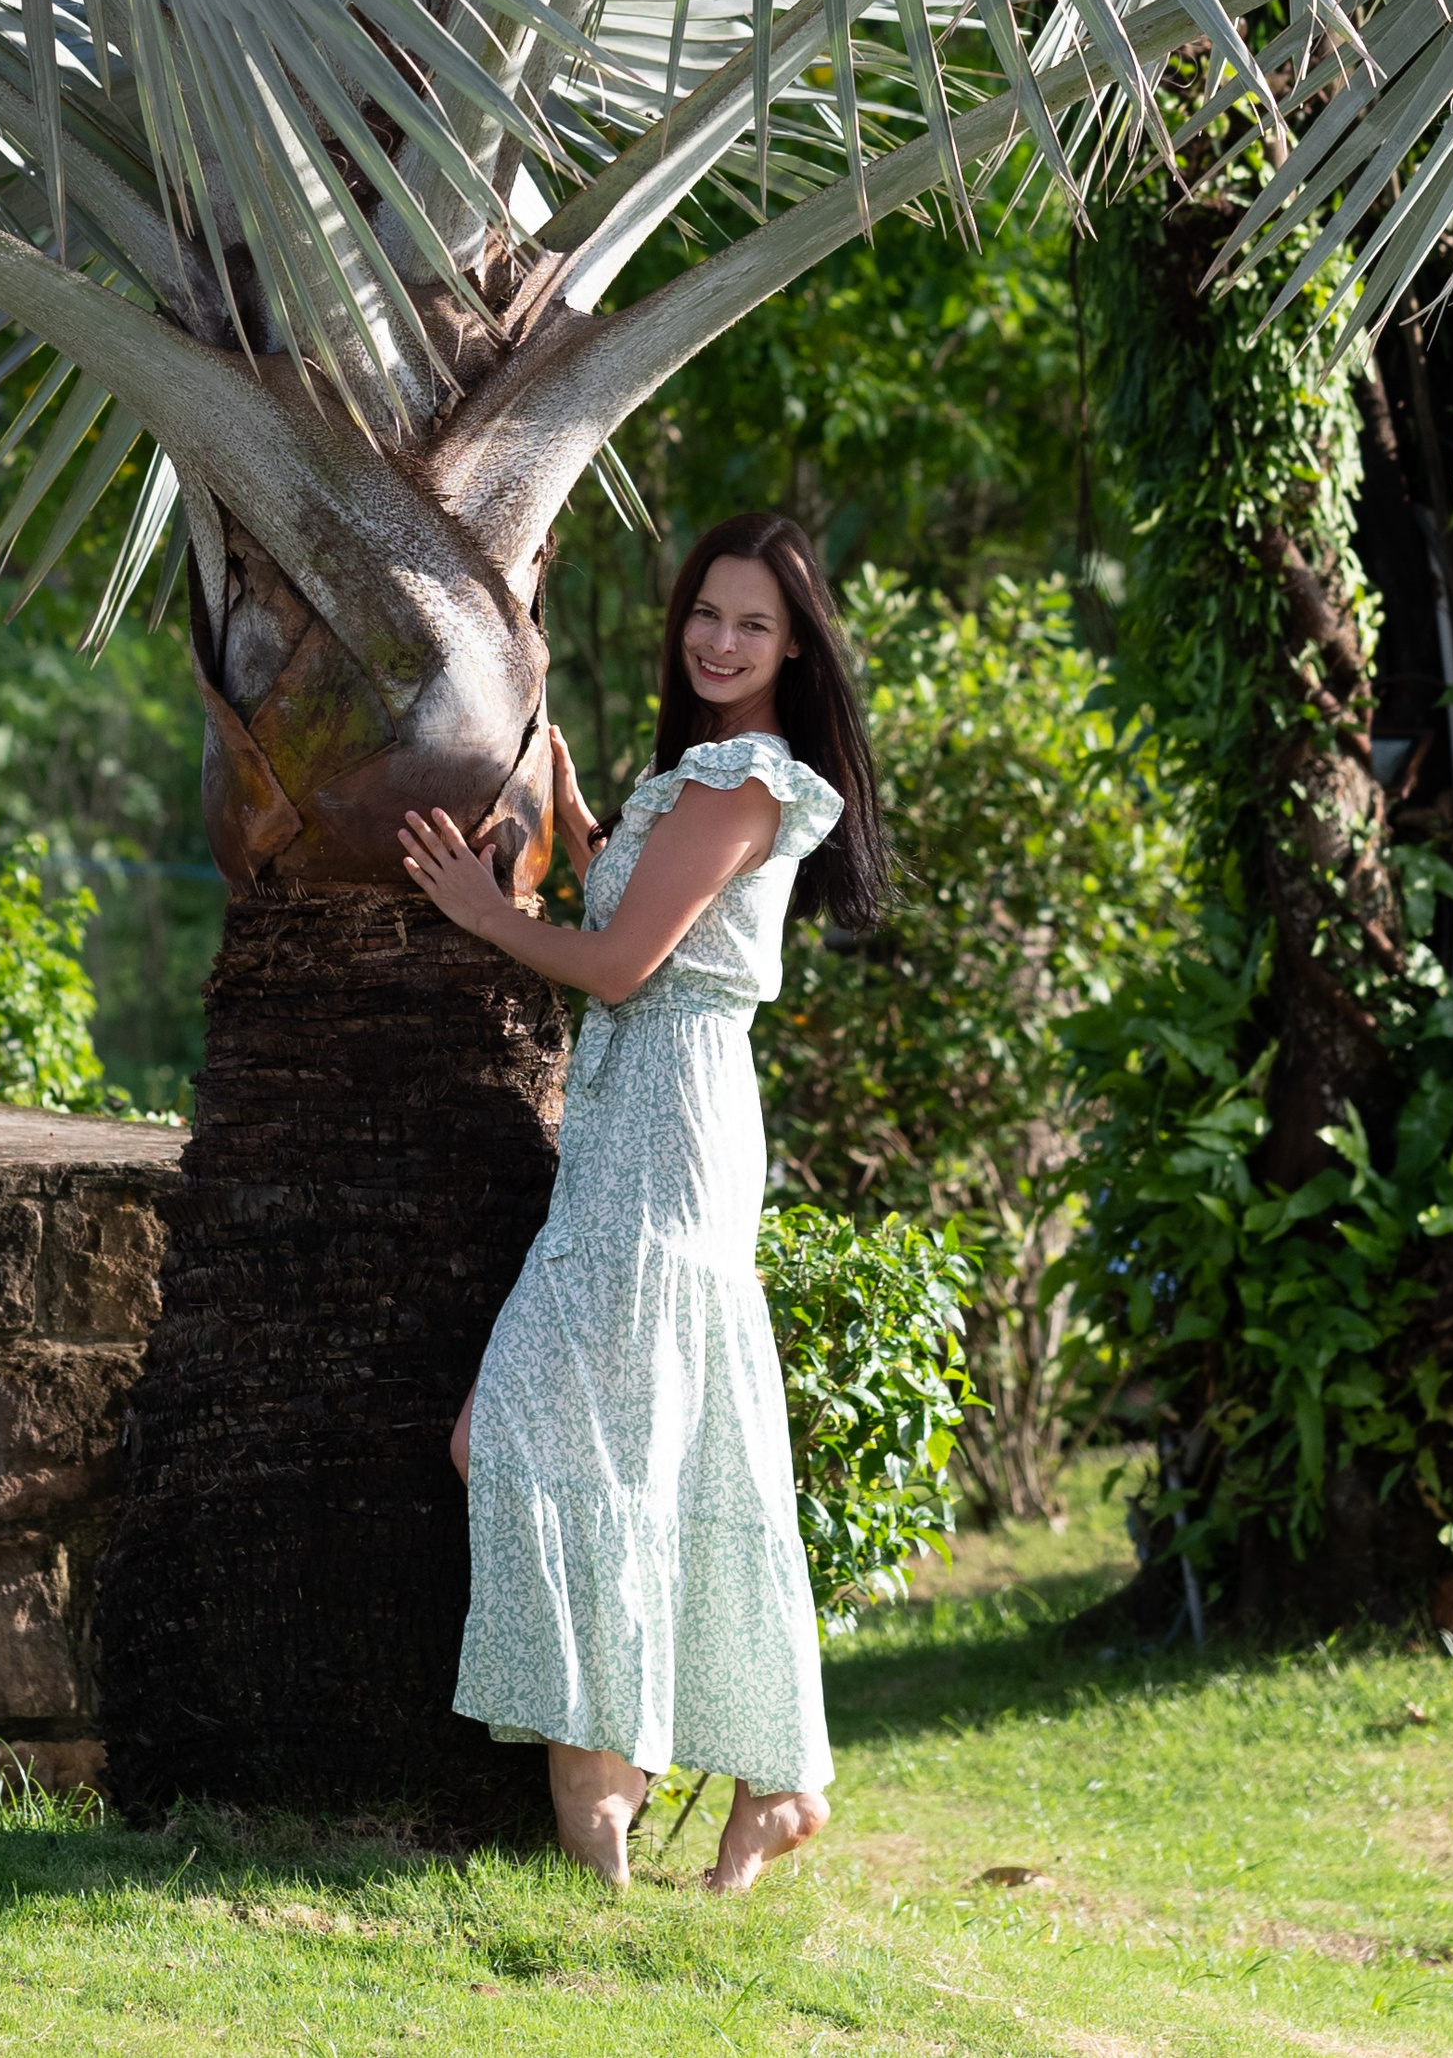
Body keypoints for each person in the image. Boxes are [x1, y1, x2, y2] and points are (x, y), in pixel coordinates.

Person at [397, 511, 889, 1896]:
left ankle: (631, 1768)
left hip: (666, 1129)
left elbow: (621, 963)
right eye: (707, 613)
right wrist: (565, 801)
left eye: (754, 623)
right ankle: (740, 1775)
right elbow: (648, 911)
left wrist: (477, 908)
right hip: (645, 1125)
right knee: (625, 1441)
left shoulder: (745, 777)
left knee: (527, 1433)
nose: (719, 640)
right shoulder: (703, 779)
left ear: (795, 647)